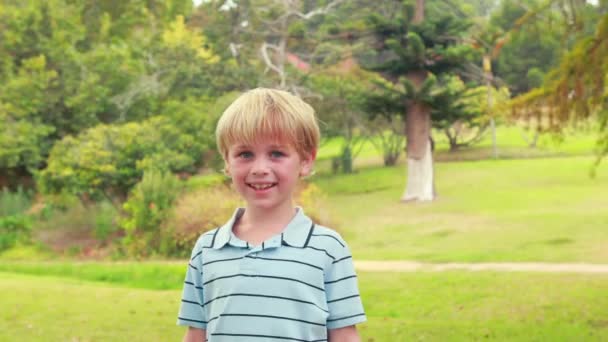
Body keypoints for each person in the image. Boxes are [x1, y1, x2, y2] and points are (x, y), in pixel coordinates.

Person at [177, 88, 366, 342]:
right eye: (245, 154)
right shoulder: (206, 249)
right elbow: (196, 335)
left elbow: (344, 336)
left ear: (306, 161)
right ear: (227, 161)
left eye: (276, 154)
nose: (260, 169)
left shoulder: (328, 249)